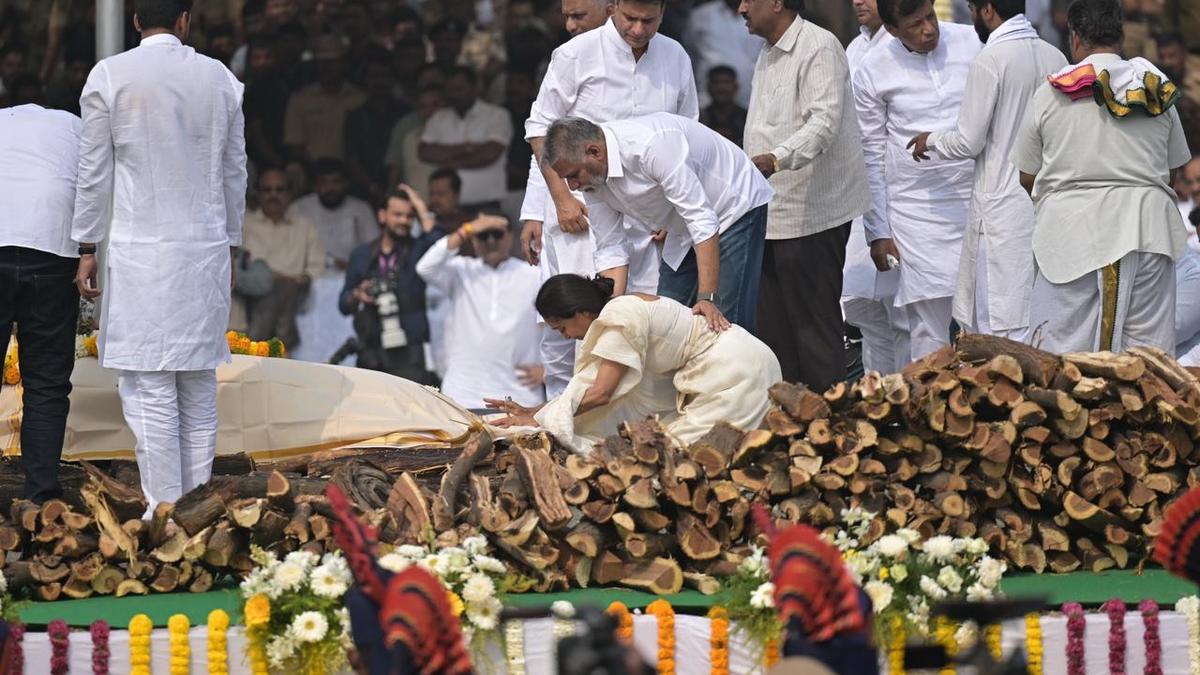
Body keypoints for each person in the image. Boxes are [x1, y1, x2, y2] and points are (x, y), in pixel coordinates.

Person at [71, 0, 248, 515]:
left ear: (134, 22)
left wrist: (86, 246)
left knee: (149, 387)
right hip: (203, 249)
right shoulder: (220, 79)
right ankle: (195, 508)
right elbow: (235, 172)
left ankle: (165, 509)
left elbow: (94, 173)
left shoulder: (111, 75)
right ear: (185, 20)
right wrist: (231, 242)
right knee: (197, 382)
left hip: (141, 252)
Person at [520, 0, 699, 399]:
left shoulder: (675, 55)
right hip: (581, 207)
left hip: (649, 214)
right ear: (613, 7)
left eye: (648, 21)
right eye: (630, 19)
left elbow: (686, 132)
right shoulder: (574, 54)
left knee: (645, 319)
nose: (638, 29)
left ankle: (637, 425)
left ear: (663, 13)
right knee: (572, 322)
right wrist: (558, 200)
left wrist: (671, 212)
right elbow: (540, 131)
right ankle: (565, 420)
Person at [1013, 0, 1191, 354]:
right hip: (1149, 235)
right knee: (1148, 366)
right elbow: (1172, 171)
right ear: (1121, 37)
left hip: (1072, 240)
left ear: (1074, 38)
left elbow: (1026, 177)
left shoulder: (1049, 94)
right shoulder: (1156, 88)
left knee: (1061, 364)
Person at [906, 0, 1066, 343]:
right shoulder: (1057, 57)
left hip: (1002, 213)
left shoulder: (991, 60)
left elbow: (968, 141)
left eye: (973, 8)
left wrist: (930, 141)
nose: (972, 15)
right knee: (1037, 317)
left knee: (1000, 326)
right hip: (1048, 207)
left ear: (988, 10)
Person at [486, 274, 781, 452]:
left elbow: (602, 393)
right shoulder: (622, 309)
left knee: (681, 456)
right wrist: (536, 411)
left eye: (562, 328)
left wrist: (539, 420)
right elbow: (599, 391)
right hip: (740, 363)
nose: (567, 337)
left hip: (735, 374)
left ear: (580, 313)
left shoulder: (618, 316)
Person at [740, 0, 871, 390]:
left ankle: (830, 430)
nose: (742, 8)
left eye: (749, 0)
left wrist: (775, 159)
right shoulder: (766, 52)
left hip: (813, 212)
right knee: (774, 332)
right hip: (770, 210)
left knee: (815, 329)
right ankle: (790, 432)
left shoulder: (819, 45)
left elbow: (824, 123)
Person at [541, 113, 774, 332]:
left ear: (594, 152)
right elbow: (610, 248)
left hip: (733, 205)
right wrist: (608, 314)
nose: (571, 187)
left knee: (723, 322)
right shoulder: (592, 177)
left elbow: (701, 220)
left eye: (573, 175)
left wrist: (707, 298)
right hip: (683, 227)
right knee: (666, 321)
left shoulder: (651, 145)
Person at [853, 0, 981, 360]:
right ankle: (931, 412)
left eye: (929, 17)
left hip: (978, 199)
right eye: (915, 25)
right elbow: (871, 153)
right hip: (915, 211)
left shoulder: (972, 41)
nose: (928, 30)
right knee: (927, 327)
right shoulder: (873, 69)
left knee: (986, 318)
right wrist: (877, 231)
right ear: (892, 30)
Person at [0, 88, 82, 504]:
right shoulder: (73, 127)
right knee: (47, 383)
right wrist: (89, 251)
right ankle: (41, 498)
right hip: (53, 248)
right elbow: (94, 189)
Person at [415, 214, 544, 410]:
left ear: (510, 236)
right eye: (483, 235)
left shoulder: (534, 274)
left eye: (497, 234)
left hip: (520, 396)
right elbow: (425, 267)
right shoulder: (460, 271)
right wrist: (467, 229)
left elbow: (557, 327)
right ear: (473, 240)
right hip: (463, 394)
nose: (491, 241)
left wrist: (548, 370)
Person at [842, 0, 908, 375]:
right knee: (866, 313)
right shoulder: (854, 47)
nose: (858, 1)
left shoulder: (900, 48)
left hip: (897, 192)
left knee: (901, 313)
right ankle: (878, 406)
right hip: (857, 191)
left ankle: (905, 404)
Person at [339, 186, 443, 382]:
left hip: (411, 350)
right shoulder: (362, 255)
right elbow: (343, 305)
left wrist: (421, 208)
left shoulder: (418, 250)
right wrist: (357, 294)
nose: (404, 221)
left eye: (409, 216)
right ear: (382, 215)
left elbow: (439, 244)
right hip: (372, 351)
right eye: (398, 214)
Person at [241, 169, 326, 348]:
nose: (273, 195)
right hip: (252, 294)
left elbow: (316, 267)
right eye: (267, 190)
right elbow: (238, 266)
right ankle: (283, 342)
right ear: (258, 193)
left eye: (280, 190)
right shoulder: (245, 224)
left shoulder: (304, 225)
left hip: (295, 293)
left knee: (283, 288)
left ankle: (258, 343)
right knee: (269, 287)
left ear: (290, 194)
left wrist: (299, 280)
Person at [418, 66, 512, 211]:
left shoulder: (497, 115)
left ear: (475, 89)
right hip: (446, 209)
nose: (454, 94)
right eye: (450, 89)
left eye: (459, 88)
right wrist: (467, 148)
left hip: (486, 205)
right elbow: (425, 152)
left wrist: (449, 162)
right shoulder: (438, 118)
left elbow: (489, 154)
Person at [283, 35, 366, 162]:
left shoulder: (359, 99)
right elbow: (296, 146)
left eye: (332, 62)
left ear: (344, 63)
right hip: (313, 171)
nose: (326, 67)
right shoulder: (300, 100)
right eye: (321, 62)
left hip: (351, 172)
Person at [289, 158, 379, 270]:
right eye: (324, 182)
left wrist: (354, 266)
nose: (330, 188)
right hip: (309, 276)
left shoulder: (361, 209)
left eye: (336, 182)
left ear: (346, 184)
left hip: (352, 275)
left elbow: (374, 248)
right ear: (315, 186)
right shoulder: (299, 208)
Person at [684, 0, 764, 108]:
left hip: (750, 102)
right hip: (706, 105)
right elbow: (689, 52)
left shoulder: (761, 14)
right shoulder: (701, 15)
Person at [698, 66, 747, 147]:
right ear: (708, 87)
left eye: (726, 82)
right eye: (716, 82)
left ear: (736, 87)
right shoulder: (699, 119)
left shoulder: (747, 118)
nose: (721, 87)